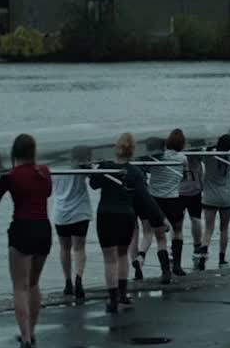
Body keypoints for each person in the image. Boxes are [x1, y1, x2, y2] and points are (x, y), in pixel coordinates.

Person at [91, 133, 171, 312]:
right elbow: (146, 199)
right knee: (122, 255)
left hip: (106, 214)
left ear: (116, 148)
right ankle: (122, 294)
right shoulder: (135, 173)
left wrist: (96, 167)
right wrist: (161, 218)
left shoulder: (106, 167)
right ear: (133, 151)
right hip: (125, 215)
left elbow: (93, 184)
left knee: (109, 259)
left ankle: (112, 299)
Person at [0, 134, 53, 348]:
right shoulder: (44, 172)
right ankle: (31, 331)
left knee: (20, 286)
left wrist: (2, 176)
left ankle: (25, 338)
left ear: (15, 153)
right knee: (33, 284)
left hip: (22, 229)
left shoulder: (11, 176)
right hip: (44, 229)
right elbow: (48, 192)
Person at [143, 130, 191, 281]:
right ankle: (177, 265)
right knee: (178, 231)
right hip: (174, 199)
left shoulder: (156, 157)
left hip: (156, 201)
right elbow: (185, 177)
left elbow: (146, 169)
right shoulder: (183, 158)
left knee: (160, 237)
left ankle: (165, 271)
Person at [50, 160, 94, 302]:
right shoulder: (79, 160)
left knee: (64, 248)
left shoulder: (52, 163)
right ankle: (78, 278)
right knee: (79, 248)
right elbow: (92, 176)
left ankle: (68, 282)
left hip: (61, 212)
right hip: (80, 211)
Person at [197, 134, 230, 265]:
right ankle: (222, 257)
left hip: (210, 197)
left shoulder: (209, 157)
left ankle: (204, 250)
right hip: (226, 197)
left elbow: (202, 153)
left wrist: (211, 145)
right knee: (224, 228)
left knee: (209, 228)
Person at [176, 133, 207, 265]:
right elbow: (202, 170)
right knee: (196, 218)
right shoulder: (197, 152)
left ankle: (175, 249)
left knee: (177, 222)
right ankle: (197, 246)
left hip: (180, 190)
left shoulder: (177, 153)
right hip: (194, 188)